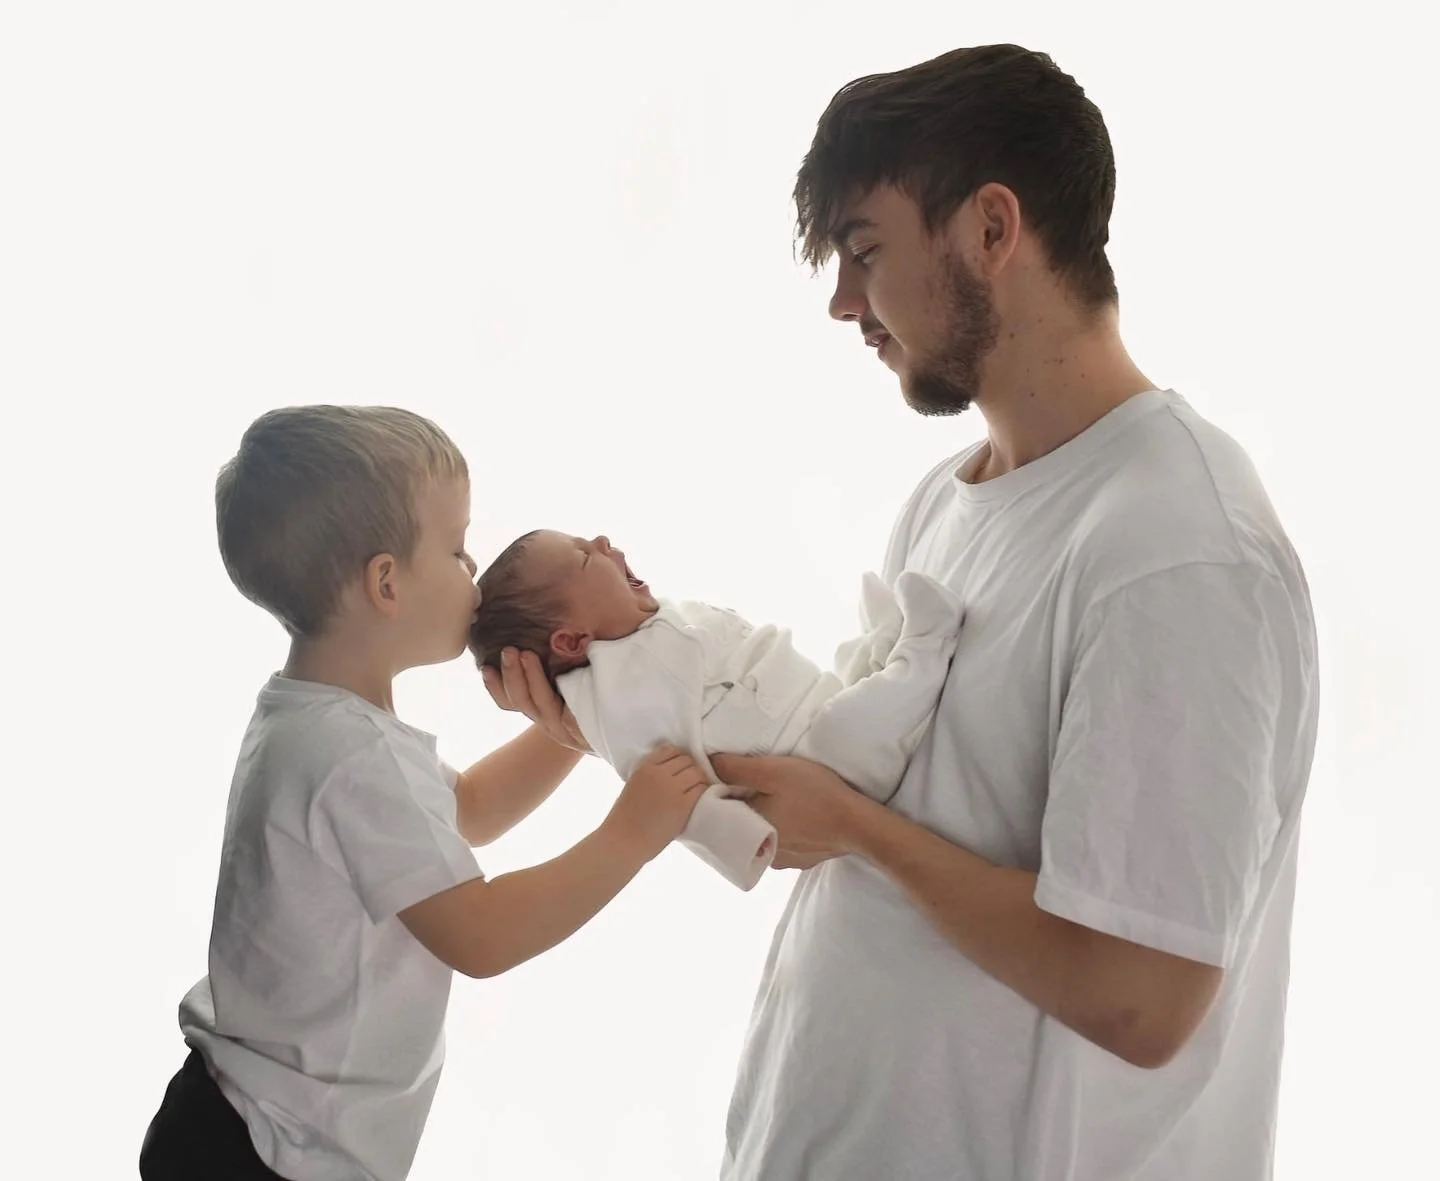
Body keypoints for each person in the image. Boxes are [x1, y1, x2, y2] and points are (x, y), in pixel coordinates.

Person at [486, 44, 1320, 1181]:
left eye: (863, 251)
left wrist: (858, 828)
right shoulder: (953, 496)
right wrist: (631, 724)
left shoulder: (1174, 549)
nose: (840, 301)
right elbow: (855, 804)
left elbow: (1143, 995)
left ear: (990, 228)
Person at [139, 405, 706, 1181]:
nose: (473, 571)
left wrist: (567, 727)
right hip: (269, 1152)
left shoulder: (313, 719)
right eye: (457, 549)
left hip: (238, 1122)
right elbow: (480, 935)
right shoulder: (352, 754)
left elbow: (467, 809)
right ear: (385, 583)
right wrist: (629, 834)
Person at [467, 528, 962, 889]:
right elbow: (670, 790)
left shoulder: (653, 625)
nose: (601, 541)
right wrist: (747, 842)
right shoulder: (619, 696)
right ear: (572, 638)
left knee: (853, 677)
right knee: (854, 724)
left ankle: (883, 648)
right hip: (821, 765)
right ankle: (923, 650)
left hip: (817, 706)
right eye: (583, 558)